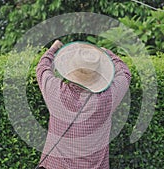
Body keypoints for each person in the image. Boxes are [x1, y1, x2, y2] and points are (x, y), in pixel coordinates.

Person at [36, 40, 131, 169]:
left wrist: (54, 48)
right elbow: (125, 73)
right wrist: (107, 53)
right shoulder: (108, 98)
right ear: (100, 74)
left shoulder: (56, 91)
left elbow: (42, 68)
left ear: (69, 69)